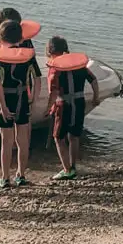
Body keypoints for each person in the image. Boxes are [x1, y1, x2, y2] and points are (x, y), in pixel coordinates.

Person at [45, 36, 100, 181]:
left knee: (58, 137)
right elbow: (94, 80)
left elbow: (53, 92)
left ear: (50, 51)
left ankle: (66, 169)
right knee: (74, 136)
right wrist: (96, 97)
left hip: (63, 105)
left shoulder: (55, 69)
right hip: (79, 102)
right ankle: (73, 166)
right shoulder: (79, 66)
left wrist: (48, 107)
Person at [0, 20, 38, 188]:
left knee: (6, 141)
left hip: (6, 100)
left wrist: (3, 107)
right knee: (22, 139)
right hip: (23, 99)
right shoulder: (28, 56)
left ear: (1, 38)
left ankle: (5, 178)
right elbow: (37, 78)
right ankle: (21, 175)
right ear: (20, 37)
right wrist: (33, 99)